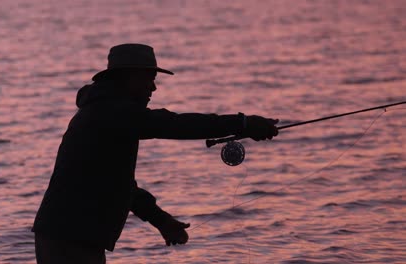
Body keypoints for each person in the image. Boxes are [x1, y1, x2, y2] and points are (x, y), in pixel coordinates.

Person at [32, 43, 279, 263]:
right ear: (127, 78)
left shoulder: (106, 110)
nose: (153, 87)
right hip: (70, 238)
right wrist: (243, 123)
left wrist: (162, 221)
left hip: (72, 235)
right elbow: (174, 124)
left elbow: (119, 183)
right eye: (148, 78)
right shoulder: (114, 113)